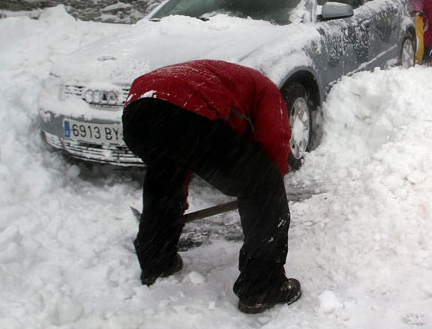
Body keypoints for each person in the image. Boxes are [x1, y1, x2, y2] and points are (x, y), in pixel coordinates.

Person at [122, 59, 302, 314]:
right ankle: (262, 287)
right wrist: (269, 191)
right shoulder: (267, 90)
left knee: (165, 177)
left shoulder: (222, 81)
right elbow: (275, 142)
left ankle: (157, 260)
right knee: (263, 183)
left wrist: (175, 206)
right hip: (180, 109)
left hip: (137, 113)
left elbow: (184, 153)